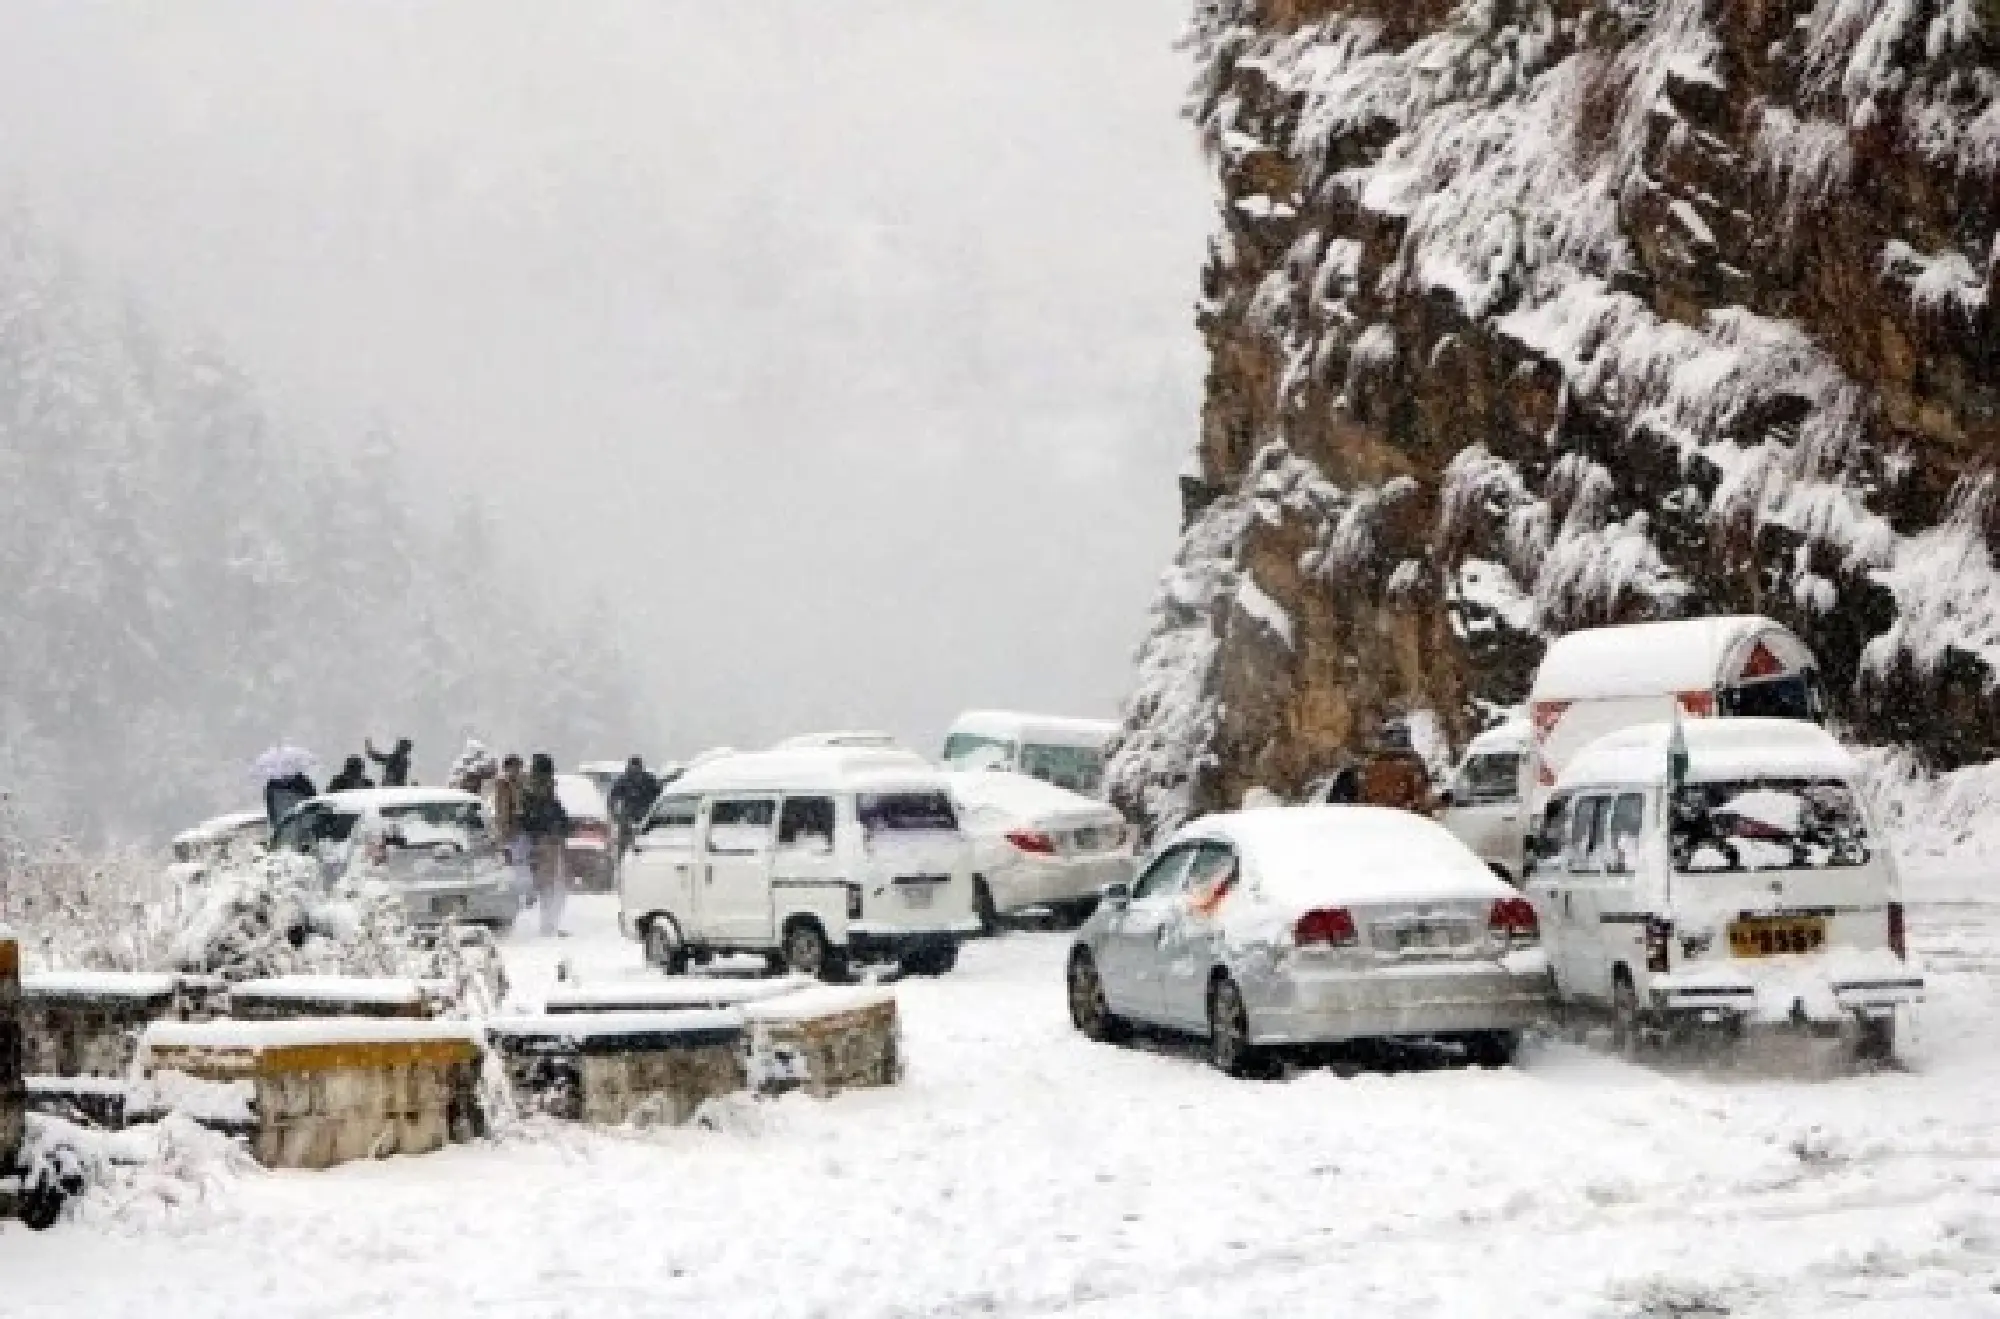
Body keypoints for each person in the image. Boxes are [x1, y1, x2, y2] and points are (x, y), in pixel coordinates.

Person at [518, 753, 571, 936]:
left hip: (543, 840)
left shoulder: (536, 792)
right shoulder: (533, 793)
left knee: (547, 885)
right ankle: (544, 924)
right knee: (544, 886)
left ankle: (547, 923)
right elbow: (532, 816)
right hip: (540, 841)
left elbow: (555, 813)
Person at [1359, 718, 1435, 814]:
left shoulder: (1373, 762)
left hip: (1376, 815)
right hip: (1405, 817)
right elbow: (1422, 796)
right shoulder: (1413, 762)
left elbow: (1363, 793)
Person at [492, 754, 530, 906]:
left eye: (518, 767)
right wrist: (504, 829)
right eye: (513, 768)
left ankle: (525, 895)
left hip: (523, 829)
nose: (516, 771)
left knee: (522, 863)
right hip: (510, 830)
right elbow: (501, 809)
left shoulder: (523, 784)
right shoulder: (503, 785)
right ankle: (517, 895)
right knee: (513, 864)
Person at [606, 755, 663, 853]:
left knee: (627, 844)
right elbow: (660, 796)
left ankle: (625, 860)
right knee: (644, 843)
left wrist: (615, 814)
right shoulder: (649, 779)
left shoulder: (624, 779)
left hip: (632, 816)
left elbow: (612, 798)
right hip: (645, 816)